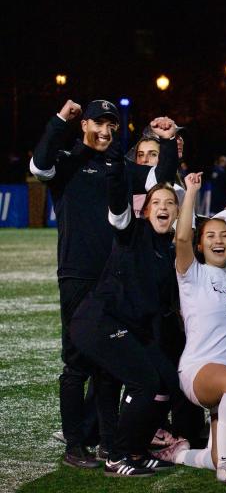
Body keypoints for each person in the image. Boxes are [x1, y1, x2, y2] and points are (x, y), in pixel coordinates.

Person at [30, 99, 176, 468]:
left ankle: (110, 444)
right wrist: (60, 119)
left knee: (110, 367)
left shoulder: (121, 167)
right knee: (76, 364)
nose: (105, 131)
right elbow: (39, 164)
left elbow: (161, 177)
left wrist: (170, 141)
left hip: (113, 282)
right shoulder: (66, 162)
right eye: (98, 123)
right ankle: (74, 444)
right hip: (77, 276)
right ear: (85, 126)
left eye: (111, 125)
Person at [70, 150, 182, 476]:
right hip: (98, 321)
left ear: (177, 211)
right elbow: (118, 206)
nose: (163, 207)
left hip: (127, 327)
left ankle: (133, 447)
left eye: (170, 203)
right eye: (157, 203)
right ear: (145, 211)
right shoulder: (132, 233)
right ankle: (117, 456)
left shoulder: (172, 248)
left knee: (167, 381)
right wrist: (116, 168)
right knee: (144, 382)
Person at [173, 173, 226, 484]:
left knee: (222, 455)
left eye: (225, 236)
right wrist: (191, 191)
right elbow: (181, 239)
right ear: (201, 245)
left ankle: (183, 455)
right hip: (200, 370)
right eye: (211, 236)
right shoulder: (193, 274)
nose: (219, 241)